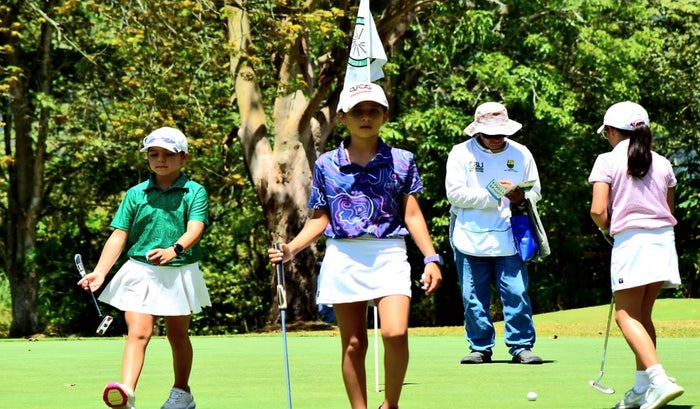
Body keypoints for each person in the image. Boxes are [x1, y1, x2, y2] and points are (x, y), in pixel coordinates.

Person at [268, 82, 442, 409]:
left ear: (385, 116)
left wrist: (431, 258)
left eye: (374, 111)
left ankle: (390, 405)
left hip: (389, 251)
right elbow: (320, 219)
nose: (366, 117)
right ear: (343, 117)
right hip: (344, 255)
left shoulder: (402, 160)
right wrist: (292, 248)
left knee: (395, 333)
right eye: (357, 111)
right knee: (353, 343)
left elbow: (412, 214)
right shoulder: (326, 164)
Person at [77, 127, 211, 409]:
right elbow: (119, 235)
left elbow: (195, 229)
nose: (160, 160)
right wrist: (100, 272)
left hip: (180, 270)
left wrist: (174, 250)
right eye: (153, 154)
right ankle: (126, 395)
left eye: (168, 154)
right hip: (139, 271)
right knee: (138, 332)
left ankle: (182, 393)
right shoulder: (135, 194)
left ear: (184, 157)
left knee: (177, 335)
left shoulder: (195, 191)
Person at [588, 101, 684, 409]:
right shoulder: (663, 162)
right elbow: (669, 208)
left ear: (612, 131)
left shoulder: (606, 160)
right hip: (663, 241)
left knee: (625, 315)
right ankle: (642, 388)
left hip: (632, 242)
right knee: (642, 315)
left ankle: (659, 380)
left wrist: (608, 228)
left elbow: (598, 210)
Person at [445, 101, 543, 365]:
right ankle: (480, 347)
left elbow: (536, 191)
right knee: (473, 297)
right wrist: (492, 194)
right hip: (468, 233)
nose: (496, 138)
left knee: (516, 292)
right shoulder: (460, 153)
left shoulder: (522, 153)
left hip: (510, 234)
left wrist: (522, 197)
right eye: (490, 134)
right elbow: (455, 194)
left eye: (501, 133)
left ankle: (521, 346)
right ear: (478, 131)